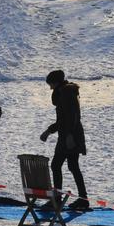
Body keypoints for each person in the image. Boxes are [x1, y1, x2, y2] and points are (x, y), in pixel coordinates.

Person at [40, 70, 89, 210]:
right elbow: (63, 120)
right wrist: (49, 131)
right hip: (69, 135)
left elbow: (71, 118)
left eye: (51, 84)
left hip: (69, 137)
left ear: (56, 82)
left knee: (56, 165)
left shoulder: (67, 93)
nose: (50, 88)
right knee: (73, 167)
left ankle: (57, 198)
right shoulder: (65, 92)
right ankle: (82, 199)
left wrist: (68, 136)